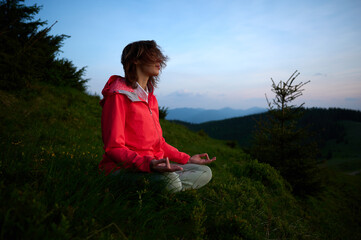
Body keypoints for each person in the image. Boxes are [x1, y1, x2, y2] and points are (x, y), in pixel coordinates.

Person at [99, 40, 216, 192]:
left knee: (205, 172)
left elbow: (159, 144)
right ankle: (165, 187)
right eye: (153, 56)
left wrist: (187, 159)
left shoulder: (150, 99)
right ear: (135, 59)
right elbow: (114, 147)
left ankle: (165, 187)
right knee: (171, 181)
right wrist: (147, 164)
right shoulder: (118, 96)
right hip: (124, 169)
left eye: (159, 57)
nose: (159, 61)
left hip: (153, 165)